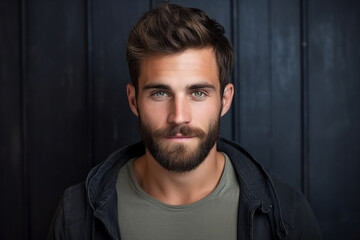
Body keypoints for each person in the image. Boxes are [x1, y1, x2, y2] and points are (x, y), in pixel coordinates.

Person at [48, 3, 322, 240]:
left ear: (225, 100)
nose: (179, 116)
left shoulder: (287, 212)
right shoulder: (76, 215)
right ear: (133, 101)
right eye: (159, 93)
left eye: (198, 93)